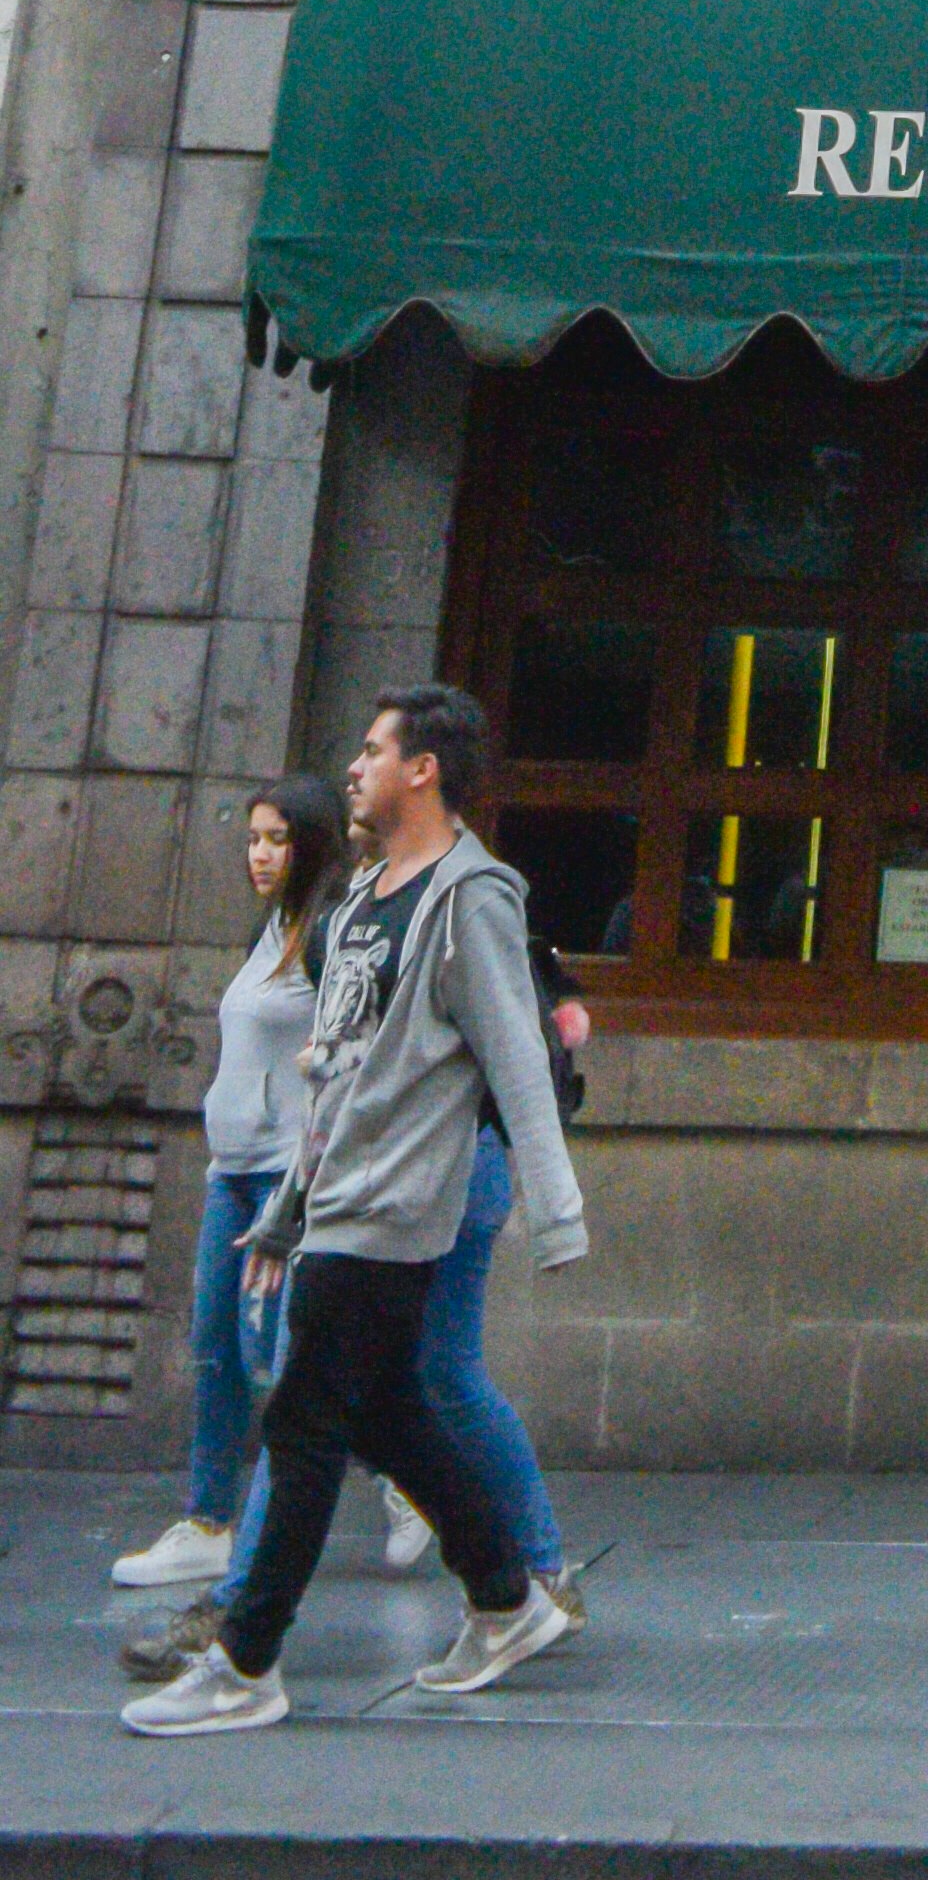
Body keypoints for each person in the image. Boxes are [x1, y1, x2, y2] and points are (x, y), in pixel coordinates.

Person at [121, 687, 589, 1736]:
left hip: (395, 1206)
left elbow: (517, 1057)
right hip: (335, 1198)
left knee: (304, 1424)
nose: (355, 767)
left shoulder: (472, 899)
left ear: (424, 770)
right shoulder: (365, 898)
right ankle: (507, 1596)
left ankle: (246, 1662)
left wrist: (557, 1210)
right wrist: (286, 1211)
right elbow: (332, 1080)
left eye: (374, 751)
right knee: (385, 1415)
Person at [107, 777, 344, 1599]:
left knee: (268, 1357)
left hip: (284, 1176)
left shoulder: (328, 935)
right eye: (252, 839)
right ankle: (208, 1524)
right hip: (232, 1170)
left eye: (277, 839)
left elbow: (344, 1057)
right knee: (213, 1344)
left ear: (311, 844)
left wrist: (302, 1187)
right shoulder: (268, 930)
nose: (260, 855)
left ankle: (394, 1477)